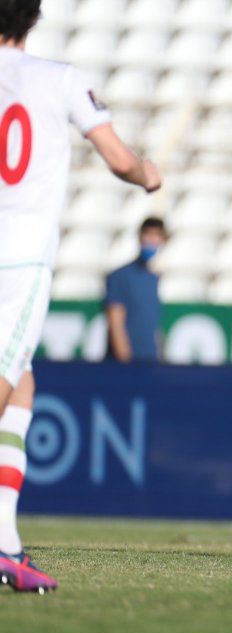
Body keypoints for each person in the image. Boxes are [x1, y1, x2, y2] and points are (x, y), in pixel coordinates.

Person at [0, 0, 161, 593]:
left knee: (22, 383)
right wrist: (149, 173)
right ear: (33, 17)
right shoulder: (58, 78)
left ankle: (6, 542)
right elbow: (119, 159)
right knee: (5, 383)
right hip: (17, 256)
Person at [105, 217, 167, 363]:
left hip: (150, 361)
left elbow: (155, 326)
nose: (150, 240)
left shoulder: (154, 278)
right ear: (140, 237)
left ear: (163, 240)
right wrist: (125, 361)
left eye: (155, 236)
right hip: (127, 364)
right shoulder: (120, 276)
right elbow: (116, 322)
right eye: (147, 234)